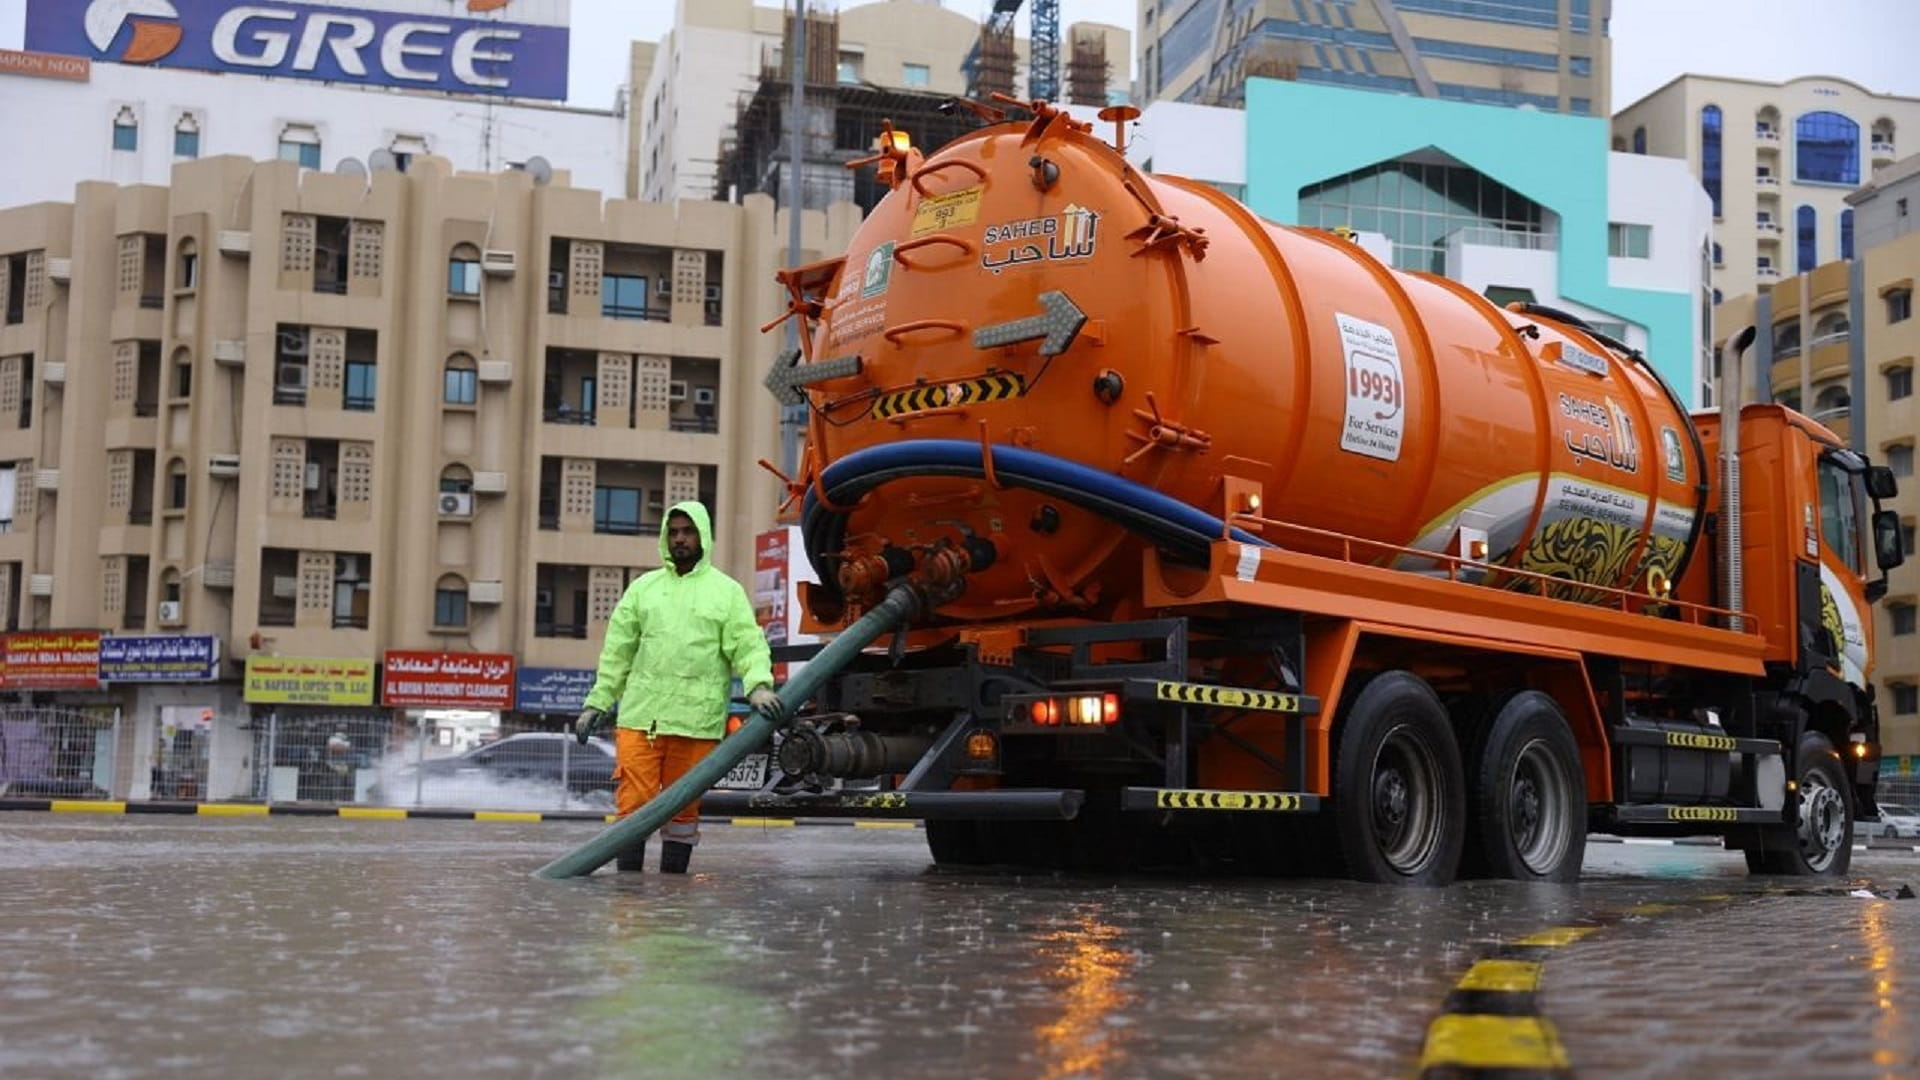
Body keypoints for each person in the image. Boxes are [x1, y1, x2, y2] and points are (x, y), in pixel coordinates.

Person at [575, 501, 777, 873]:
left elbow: (748, 645)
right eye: (674, 532)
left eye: (688, 531)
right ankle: (630, 899)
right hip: (641, 720)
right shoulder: (643, 590)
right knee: (632, 807)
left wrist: (759, 687)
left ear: (703, 535)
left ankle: (673, 895)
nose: (681, 538)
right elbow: (617, 654)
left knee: (683, 812)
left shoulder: (726, 592)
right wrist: (596, 703)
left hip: (696, 723)